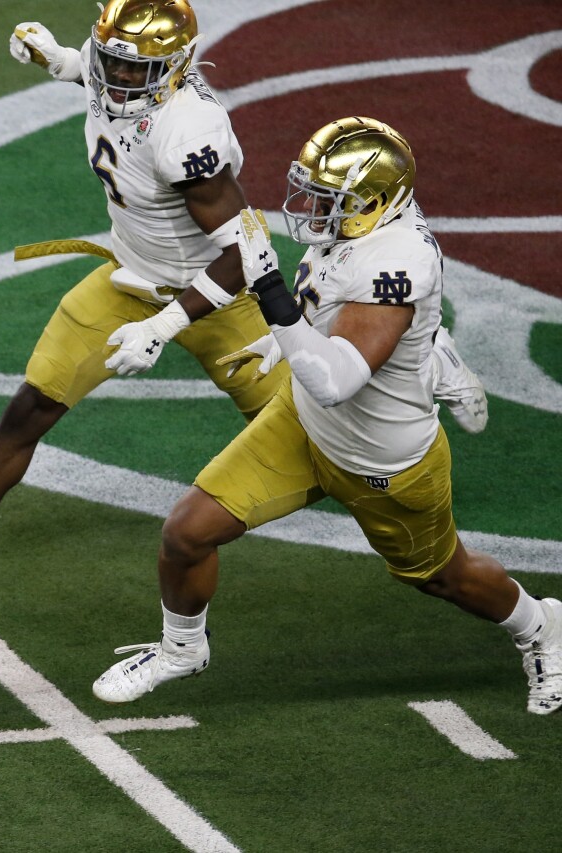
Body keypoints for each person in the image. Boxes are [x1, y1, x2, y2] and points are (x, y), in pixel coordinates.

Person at [0, 0, 485, 604]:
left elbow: (243, 250)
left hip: (221, 299)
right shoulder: (117, 82)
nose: (121, 78)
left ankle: (425, 357)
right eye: (112, 60)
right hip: (130, 279)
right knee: (31, 407)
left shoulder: (188, 134)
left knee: (324, 437)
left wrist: (167, 323)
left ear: (177, 67)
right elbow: (107, 84)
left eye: (138, 68)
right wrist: (59, 60)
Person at [91, 117, 560, 716]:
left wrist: (271, 297)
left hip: (382, 461)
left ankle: (542, 625)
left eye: (330, 199)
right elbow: (325, 325)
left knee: (443, 576)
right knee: (187, 532)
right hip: (304, 422)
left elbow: (336, 381)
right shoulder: (360, 230)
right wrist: (288, 332)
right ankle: (181, 651)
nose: (310, 208)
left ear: (376, 203)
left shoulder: (395, 265)